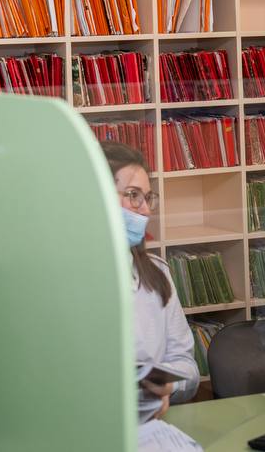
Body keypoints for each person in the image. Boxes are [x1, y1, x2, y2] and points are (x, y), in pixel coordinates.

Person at [101, 140, 199, 422]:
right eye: (133, 195)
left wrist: (168, 387)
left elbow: (187, 367)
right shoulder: (64, 280)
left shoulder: (157, 274)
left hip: (148, 428)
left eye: (147, 197)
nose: (145, 210)